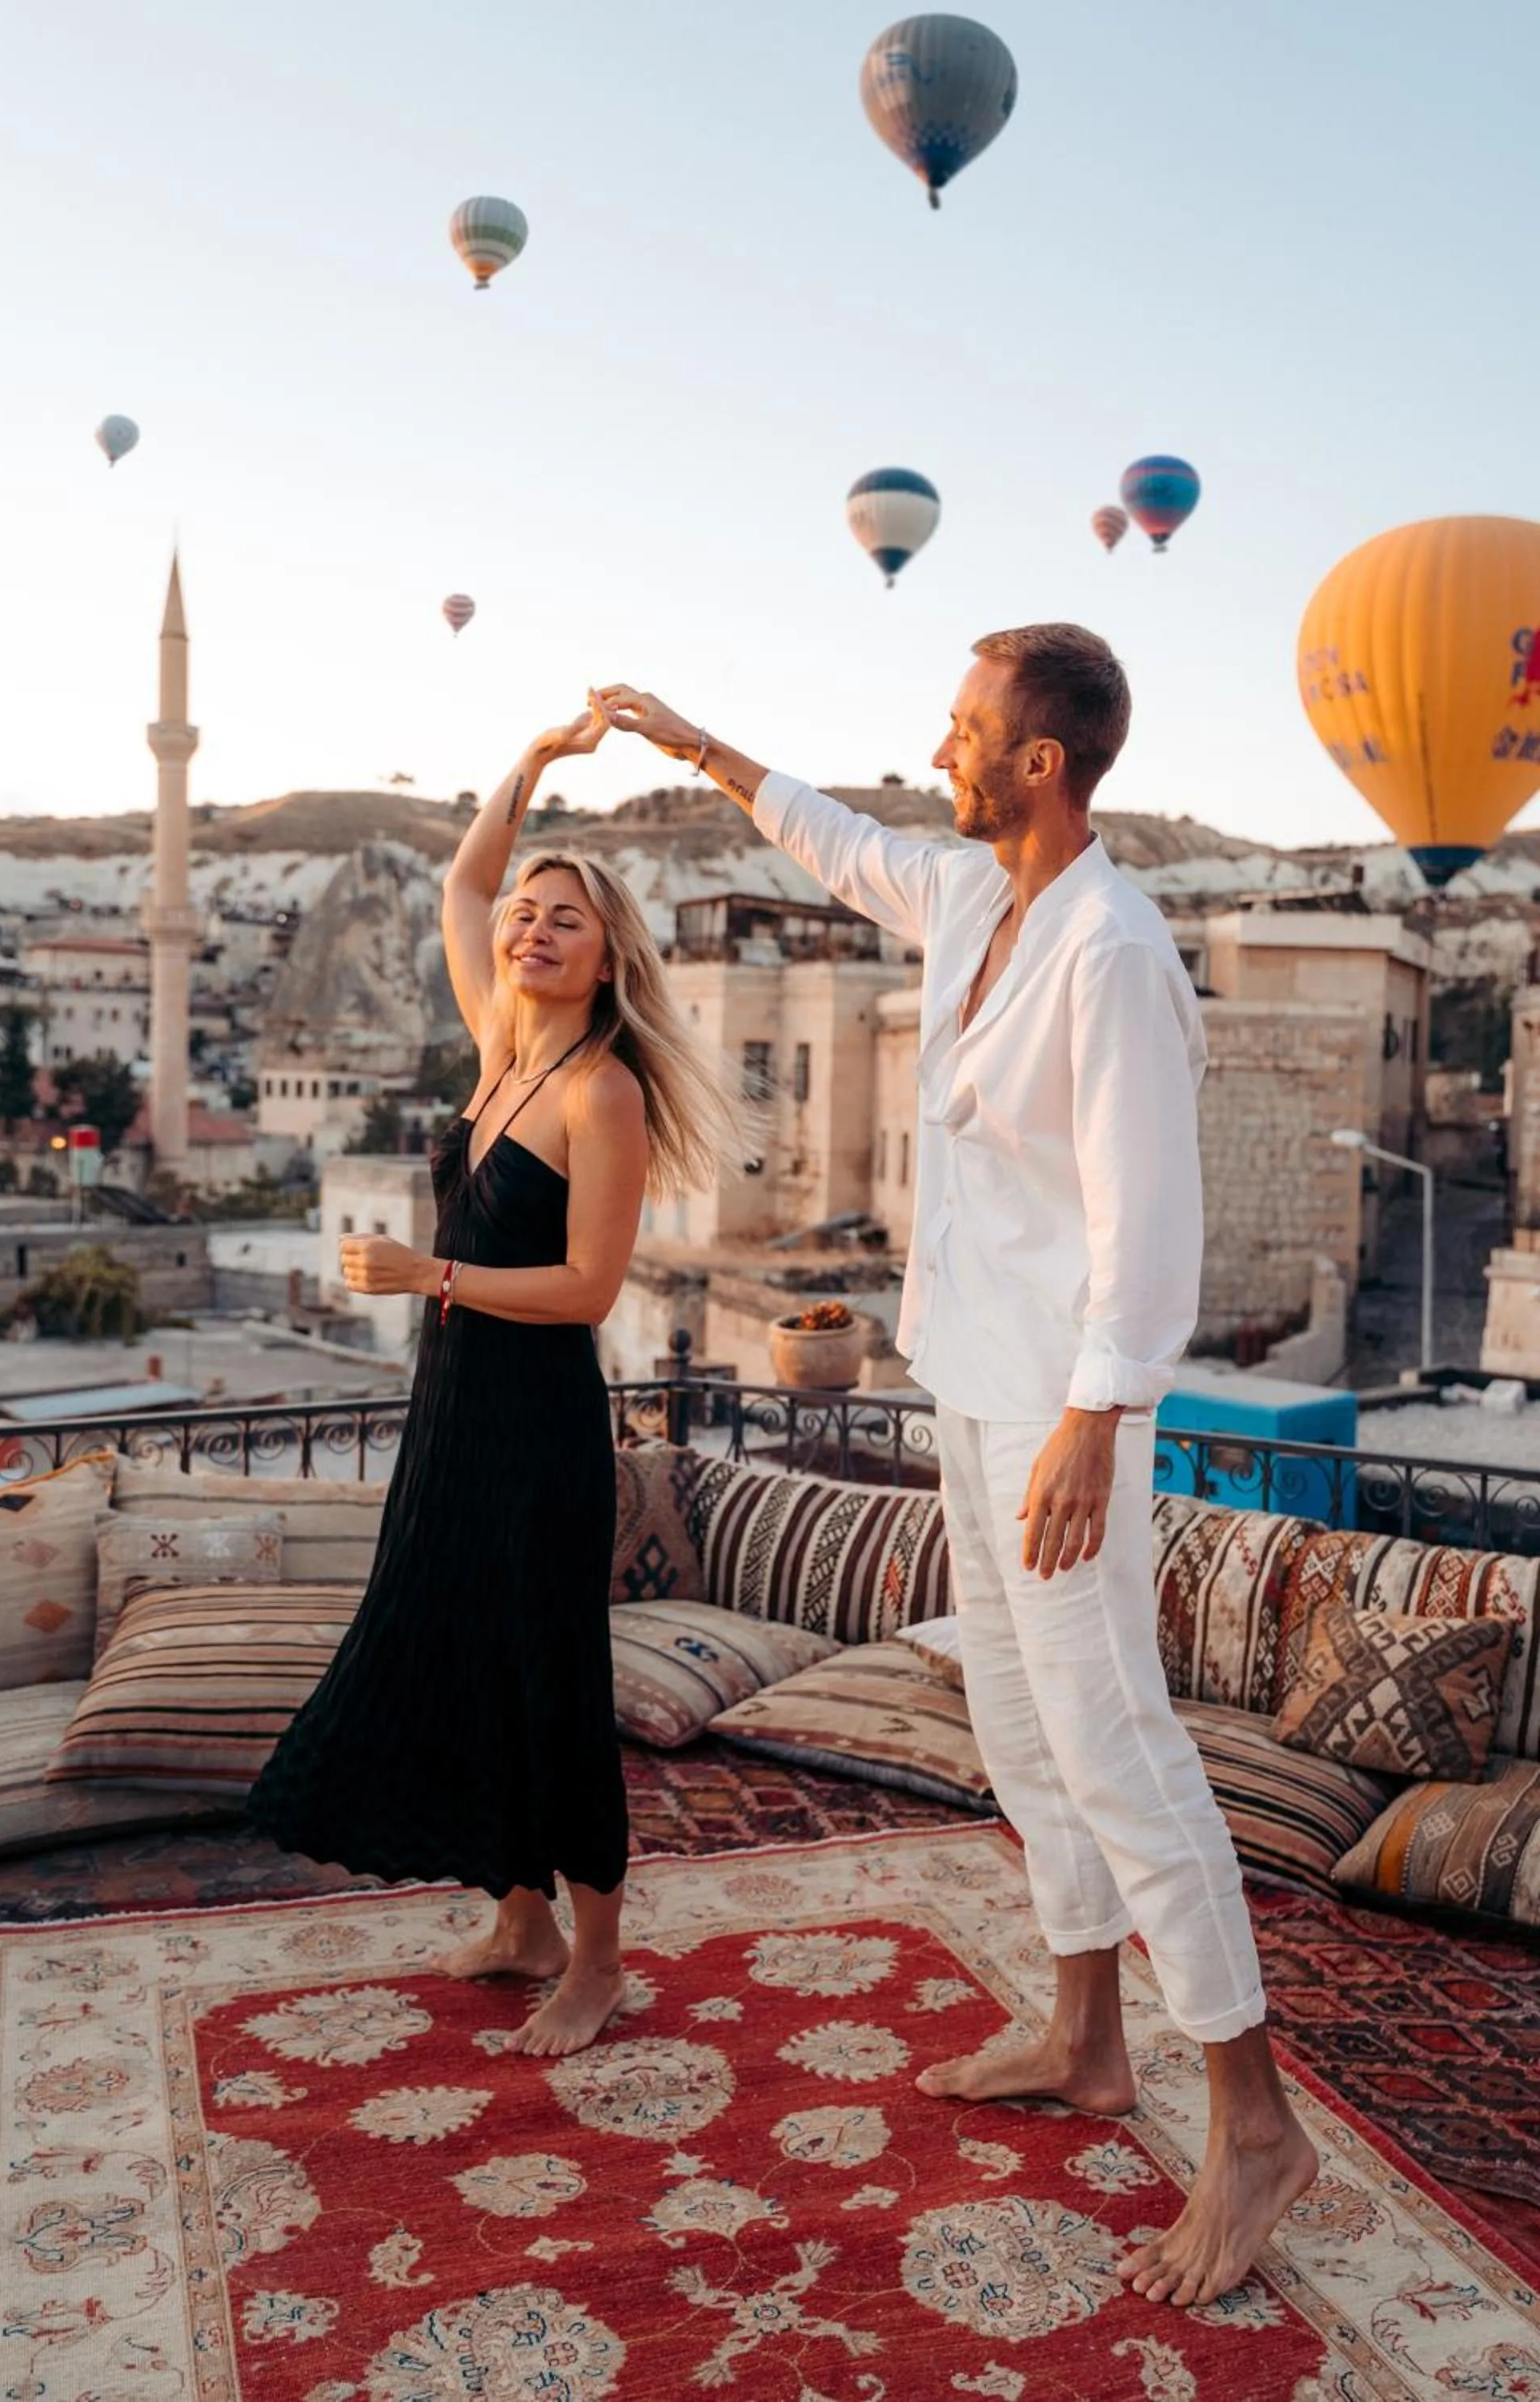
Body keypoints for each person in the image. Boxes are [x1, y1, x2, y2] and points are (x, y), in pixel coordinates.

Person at [598, 633, 1318, 2305]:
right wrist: (700, 744)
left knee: (1119, 1746)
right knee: (1016, 1722)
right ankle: (1082, 2038)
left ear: (1042, 764)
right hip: (969, 1385)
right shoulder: (978, 901)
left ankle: (1255, 2118)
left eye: (967, 729)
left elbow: (1149, 1216)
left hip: (1057, 1412)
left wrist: (1097, 1414)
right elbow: (841, 844)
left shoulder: (1113, 953)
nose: (939, 748)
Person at [248, 695, 739, 2058]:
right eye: (526, 913)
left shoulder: (603, 1092)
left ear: (606, 959)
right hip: (452, 1416)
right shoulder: (500, 1050)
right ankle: (518, 1919)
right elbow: (464, 878)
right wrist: (534, 764)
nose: (526, 926)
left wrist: (434, 1279)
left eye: (562, 919)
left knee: (550, 1682)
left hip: (535, 1430)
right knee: (463, 1658)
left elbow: (589, 1292)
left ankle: (597, 1961)